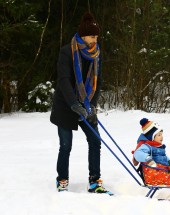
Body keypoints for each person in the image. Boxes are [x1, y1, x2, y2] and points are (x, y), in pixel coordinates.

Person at [50, 12, 108, 193]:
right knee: (66, 145)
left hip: (87, 104)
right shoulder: (67, 51)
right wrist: (74, 104)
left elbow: (97, 82)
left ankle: (94, 180)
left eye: (97, 36)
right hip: (66, 105)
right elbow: (64, 80)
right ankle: (62, 180)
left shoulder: (96, 53)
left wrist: (91, 106)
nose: (95, 39)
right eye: (92, 36)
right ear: (83, 36)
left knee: (95, 141)